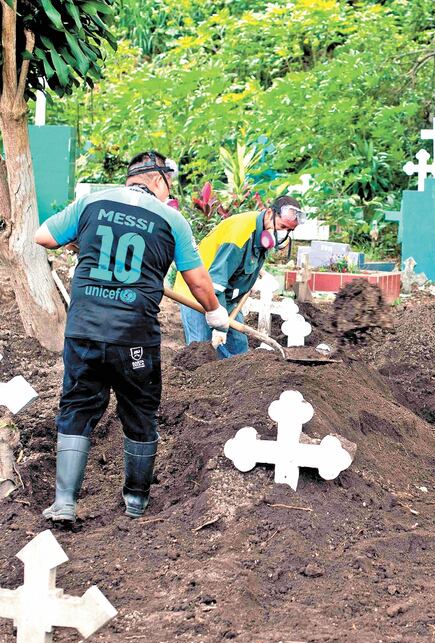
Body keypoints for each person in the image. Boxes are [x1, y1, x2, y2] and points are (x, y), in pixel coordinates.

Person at [34, 150, 229, 522]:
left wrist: (77, 241)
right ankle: (136, 502)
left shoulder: (90, 204)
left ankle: (64, 503)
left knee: (76, 407)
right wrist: (215, 312)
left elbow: (43, 236)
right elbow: (198, 280)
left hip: (84, 331)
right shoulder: (172, 220)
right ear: (157, 180)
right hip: (134, 336)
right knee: (140, 412)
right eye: (168, 183)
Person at [173, 194, 305, 357]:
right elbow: (215, 282)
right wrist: (219, 325)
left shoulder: (263, 230)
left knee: (239, 353)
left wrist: (256, 277)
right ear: (270, 213)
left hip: (228, 296)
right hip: (198, 292)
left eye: (290, 230)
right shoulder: (240, 234)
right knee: (202, 353)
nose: (284, 234)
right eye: (283, 226)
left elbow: (242, 263)